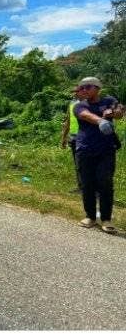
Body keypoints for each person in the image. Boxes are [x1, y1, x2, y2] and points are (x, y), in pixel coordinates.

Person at [72, 77, 124, 233]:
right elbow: (86, 115)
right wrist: (101, 121)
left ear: (97, 88)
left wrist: (114, 112)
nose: (84, 90)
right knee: (87, 183)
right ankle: (90, 216)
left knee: (105, 182)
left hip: (106, 150)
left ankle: (106, 219)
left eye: (88, 87)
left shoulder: (109, 100)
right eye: (82, 88)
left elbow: (119, 112)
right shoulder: (79, 105)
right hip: (84, 149)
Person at [60, 85, 88, 192]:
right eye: (74, 92)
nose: (75, 93)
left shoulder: (88, 104)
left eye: (77, 91)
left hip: (85, 138)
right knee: (78, 164)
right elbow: (68, 121)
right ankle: (81, 187)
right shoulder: (71, 104)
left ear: (83, 92)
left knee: (87, 164)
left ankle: (92, 189)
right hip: (73, 138)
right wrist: (63, 137)